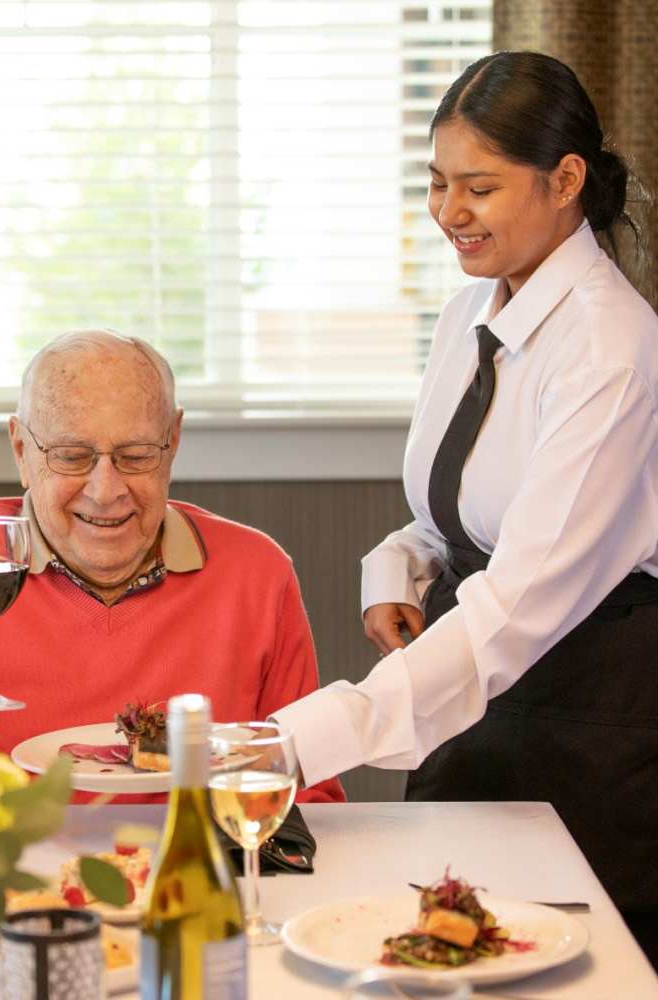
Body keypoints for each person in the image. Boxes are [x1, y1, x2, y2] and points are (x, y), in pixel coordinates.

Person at [273, 51, 658, 961]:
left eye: (478, 187)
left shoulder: (614, 353)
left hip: (588, 724)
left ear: (566, 180)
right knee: (439, 954)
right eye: (438, 183)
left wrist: (298, 743)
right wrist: (397, 567)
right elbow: (467, 516)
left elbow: (517, 602)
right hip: (473, 704)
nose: (449, 212)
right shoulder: (469, 314)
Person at [0, 329, 344, 804]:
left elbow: (308, 791)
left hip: (190, 888)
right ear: (21, 449)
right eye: (70, 456)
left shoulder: (257, 573)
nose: (106, 491)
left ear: (173, 442)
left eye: (135, 455)